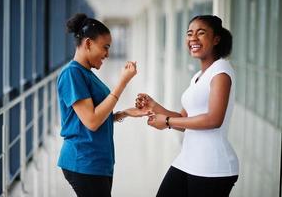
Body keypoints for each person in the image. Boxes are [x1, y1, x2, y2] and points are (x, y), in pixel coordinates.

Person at [136, 15, 239, 197]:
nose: (193, 38)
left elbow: (214, 119)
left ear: (216, 39)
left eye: (201, 33)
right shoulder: (198, 76)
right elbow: (184, 120)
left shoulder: (221, 71)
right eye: (189, 33)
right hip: (188, 159)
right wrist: (155, 106)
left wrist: (167, 121)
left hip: (212, 166)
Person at [57, 13, 149, 197]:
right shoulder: (72, 74)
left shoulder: (86, 72)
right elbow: (91, 121)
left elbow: (93, 116)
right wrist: (122, 83)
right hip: (84, 162)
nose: (107, 54)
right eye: (105, 47)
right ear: (88, 43)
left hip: (97, 162)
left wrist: (124, 113)